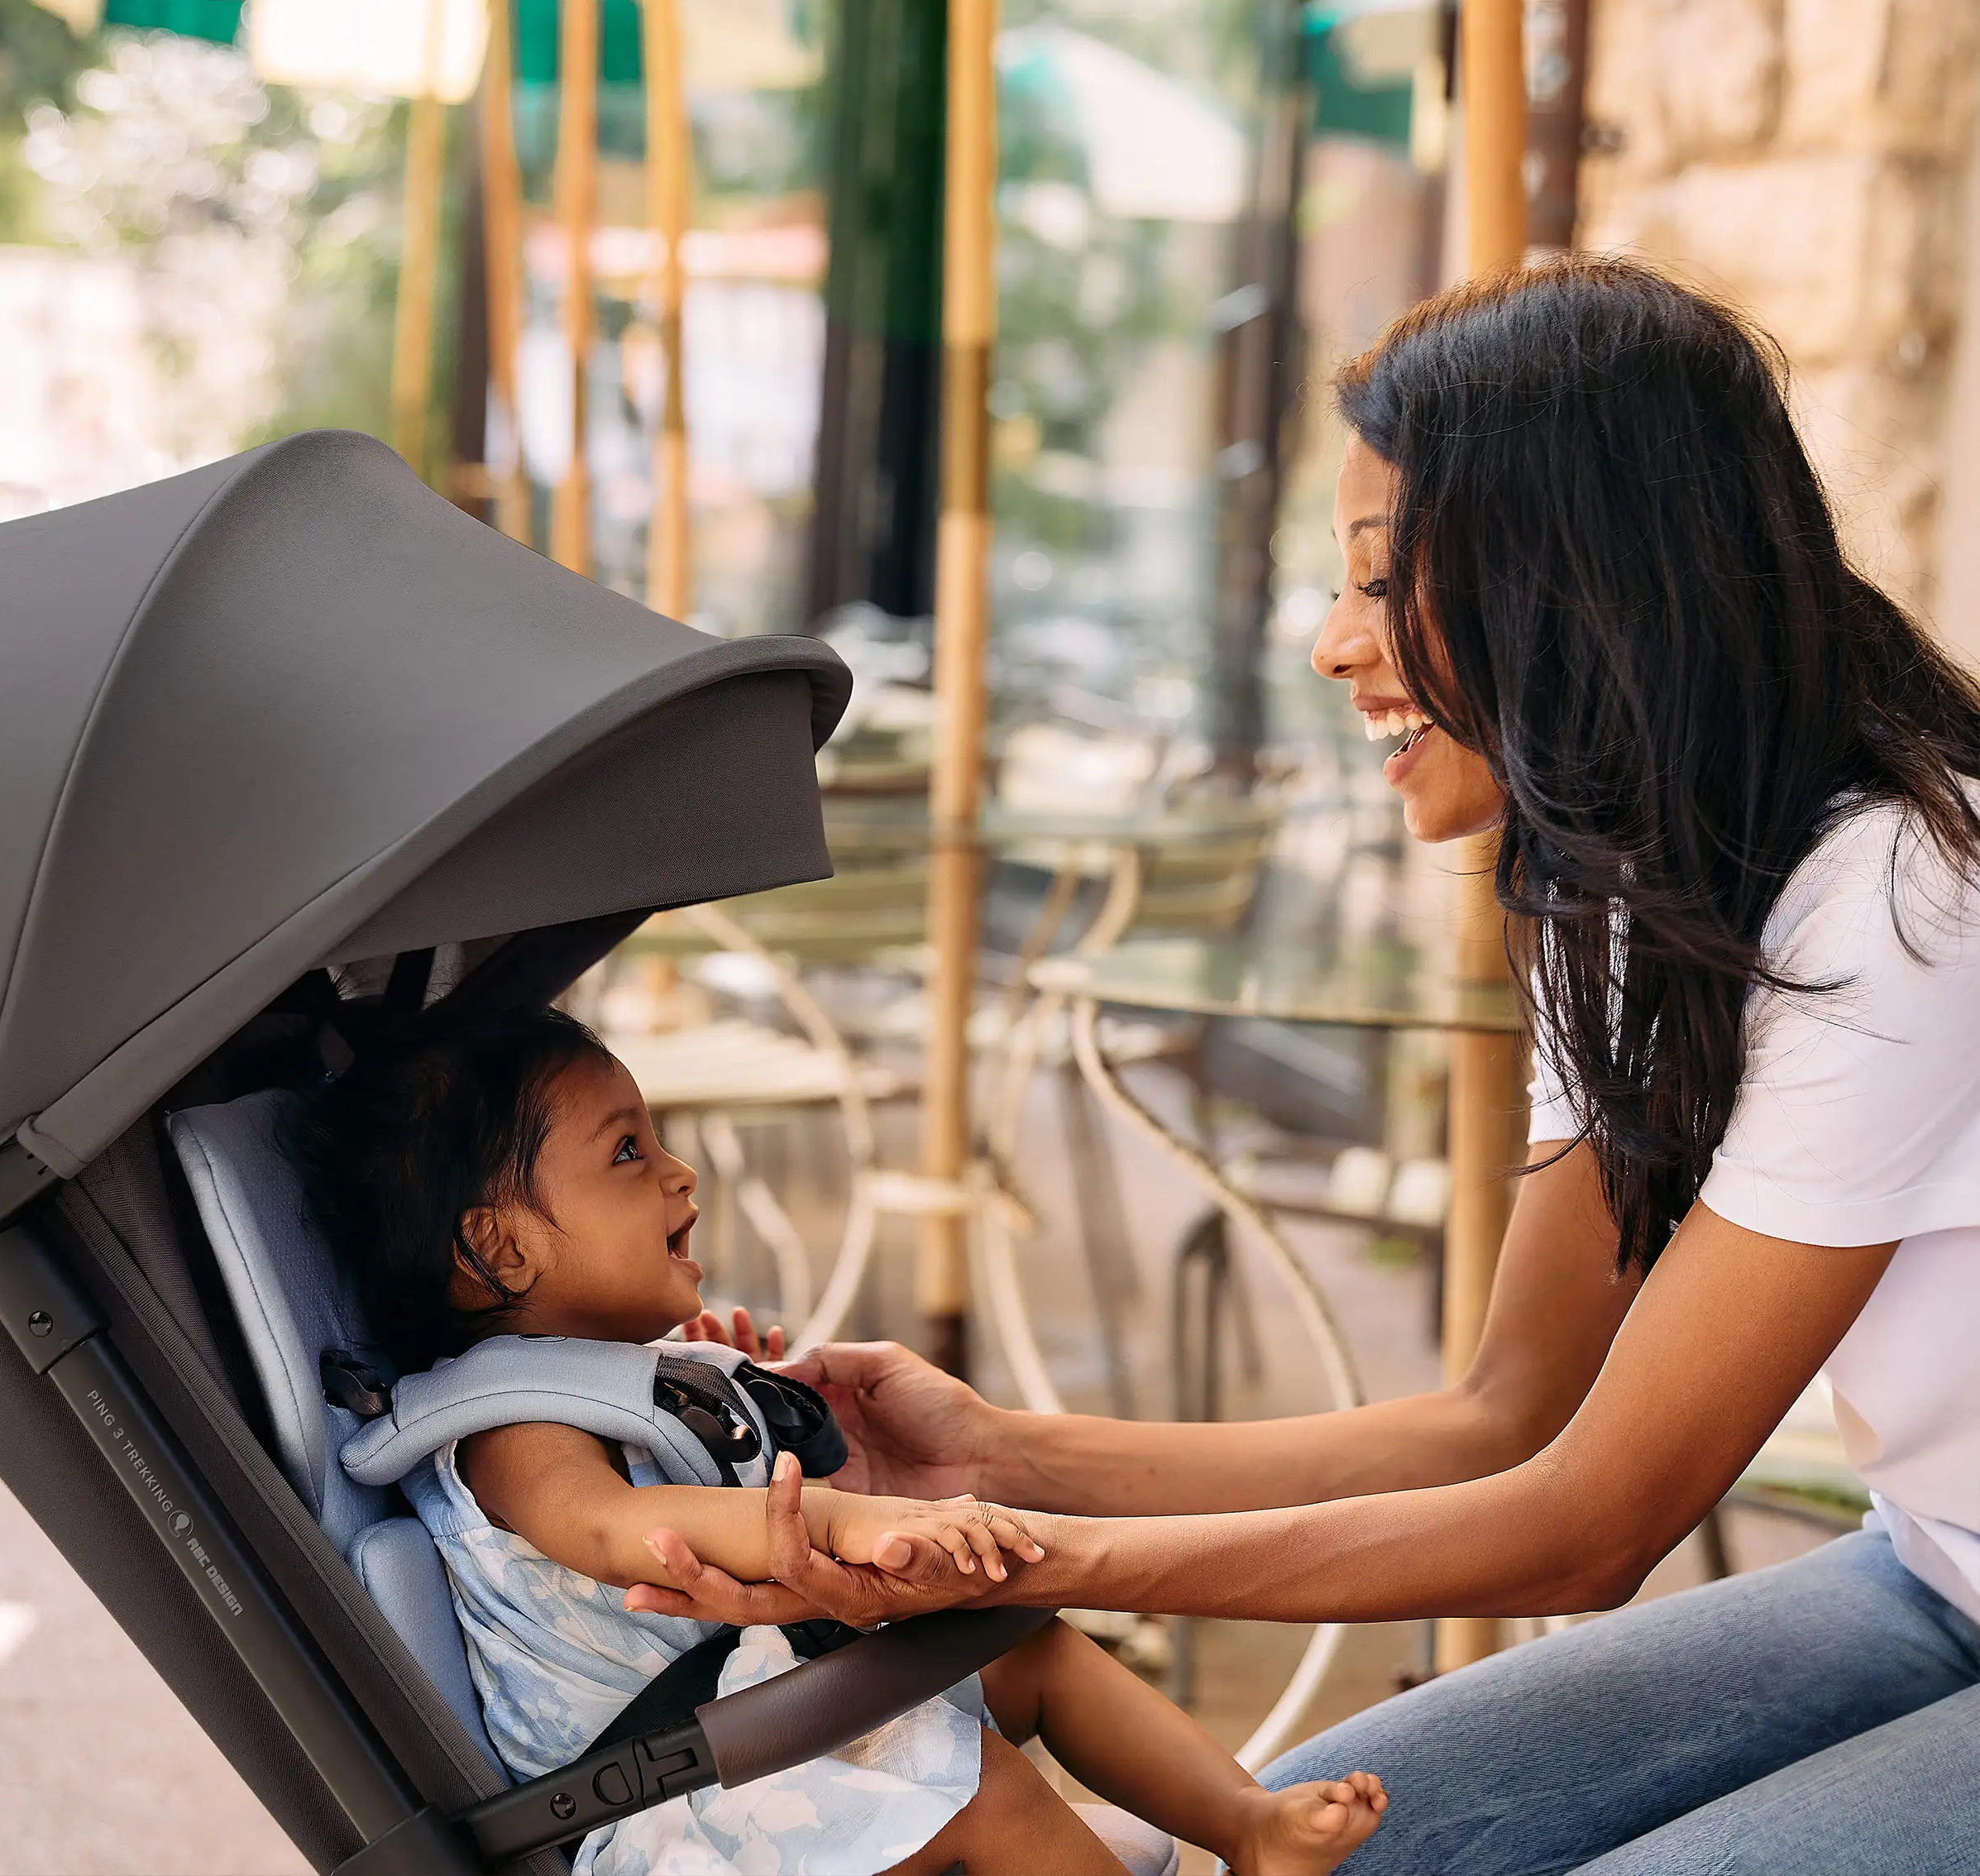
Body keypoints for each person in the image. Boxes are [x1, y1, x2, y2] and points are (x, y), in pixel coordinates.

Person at [623, 260, 1980, 1875]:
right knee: (1333, 1839)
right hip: (1929, 1566)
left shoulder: (1898, 897)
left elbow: (1597, 1517)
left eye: (1380, 574)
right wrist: (993, 1458)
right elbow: (1500, 1413)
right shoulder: (1613, 891)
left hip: (1927, 1582)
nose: (1332, 643)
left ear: (1579, 585)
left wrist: (996, 1558)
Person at [290, 1004, 1388, 1876]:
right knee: (980, 1789)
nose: (681, 1175)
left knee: (1029, 1649)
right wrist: (850, 1520)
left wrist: (712, 1408)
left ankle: (1246, 1825)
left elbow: (688, 1476)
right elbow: (628, 1528)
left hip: (763, 1727)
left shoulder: (624, 1389)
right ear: (499, 1248)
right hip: (674, 1811)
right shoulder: (506, 1427)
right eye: (627, 1153)